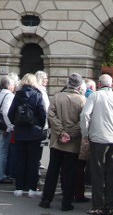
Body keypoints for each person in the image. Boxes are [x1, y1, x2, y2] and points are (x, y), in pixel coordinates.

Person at [80, 73, 113, 215]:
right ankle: (109, 206)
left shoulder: (95, 96)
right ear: (111, 84)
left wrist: (85, 134)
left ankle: (98, 206)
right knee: (111, 174)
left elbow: (85, 114)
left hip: (98, 139)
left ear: (99, 84)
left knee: (97, 173)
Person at [40, 73, 86, 211]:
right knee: (69, 173)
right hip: (72, 142)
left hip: (57, 141)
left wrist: (61, 132)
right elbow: (83, 121)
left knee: (53, 170)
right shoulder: (82, 100)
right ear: (79, 86)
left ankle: (46, 199)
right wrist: (70, 133)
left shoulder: (57, 97)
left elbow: (51, 115)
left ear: (68, 83)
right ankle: (66, 202)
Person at [8, 73, 48, 198]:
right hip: (34, 132)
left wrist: (16, 123)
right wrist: (40, 126)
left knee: (20, 160)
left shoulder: (18, 95)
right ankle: (31, 188)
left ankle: (19, 188)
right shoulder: (37, 95)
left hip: (20, 132)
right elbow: (42, 113)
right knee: (33, 161)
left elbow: (10, 113)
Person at [0, 75, 15, 184]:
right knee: (3, 152)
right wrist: (9, 127)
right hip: (4, 127)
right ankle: (0, 176)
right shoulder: (9, 95)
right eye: (13, 84)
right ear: (9, 85)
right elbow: (6, 112)